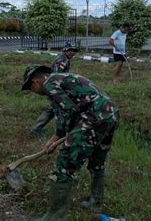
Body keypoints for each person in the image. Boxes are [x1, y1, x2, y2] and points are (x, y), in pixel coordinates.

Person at [22, 65, 120, 221]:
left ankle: (55, 217)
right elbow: (70, 110)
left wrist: (60, 138)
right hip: (110, 114)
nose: (34, 92)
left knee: (63, 166)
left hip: (92, 119)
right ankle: (96, 205)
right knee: (97, 163)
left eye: (31, 89)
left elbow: (68, 112)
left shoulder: (49, 85)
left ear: (35, 82)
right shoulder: (61, 78)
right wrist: (56, 138)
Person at [30, 42, 80, 138]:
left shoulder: (64, 58)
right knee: (56, 109)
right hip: (54, 87)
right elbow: (57, 76)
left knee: (54, 109)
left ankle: (39, 128)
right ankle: (39, 129)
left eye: (74, 51)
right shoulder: (62, 60)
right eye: (71, 50)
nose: (73, 53)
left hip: (54, 87)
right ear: (66, 50)